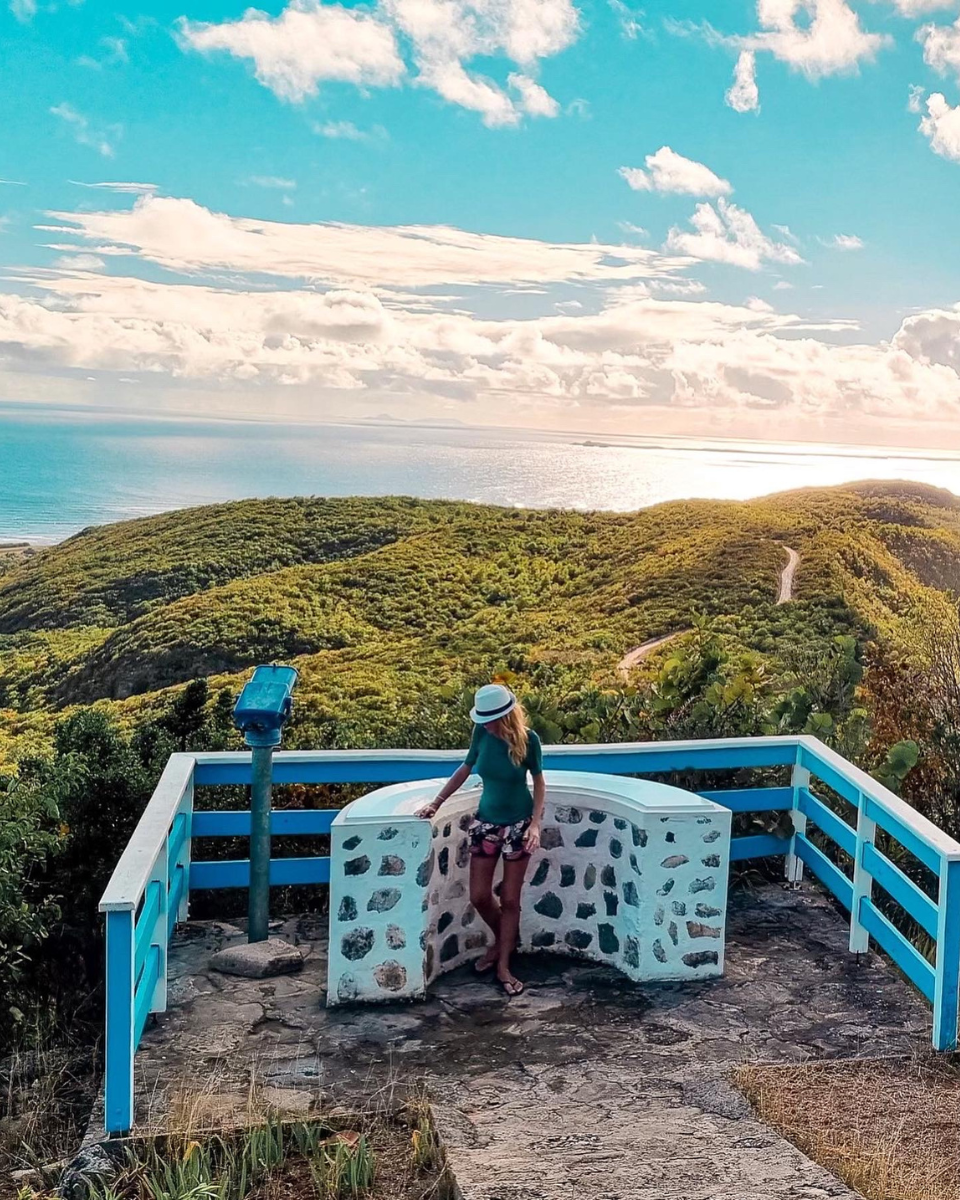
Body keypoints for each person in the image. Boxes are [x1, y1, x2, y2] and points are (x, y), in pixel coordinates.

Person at [417, 683, 545, 996]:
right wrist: (437, 801)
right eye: (482, 719)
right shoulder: (481, 735)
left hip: (518, 824)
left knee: (511, 899)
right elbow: (466, 767)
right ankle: (506, 940)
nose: (485, 724)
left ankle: (502, 963)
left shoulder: (529, 740)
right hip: (486, 822)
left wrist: (536, 825)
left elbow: (540, 783)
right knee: (479, 895)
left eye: (490, 719)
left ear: (506, 715)